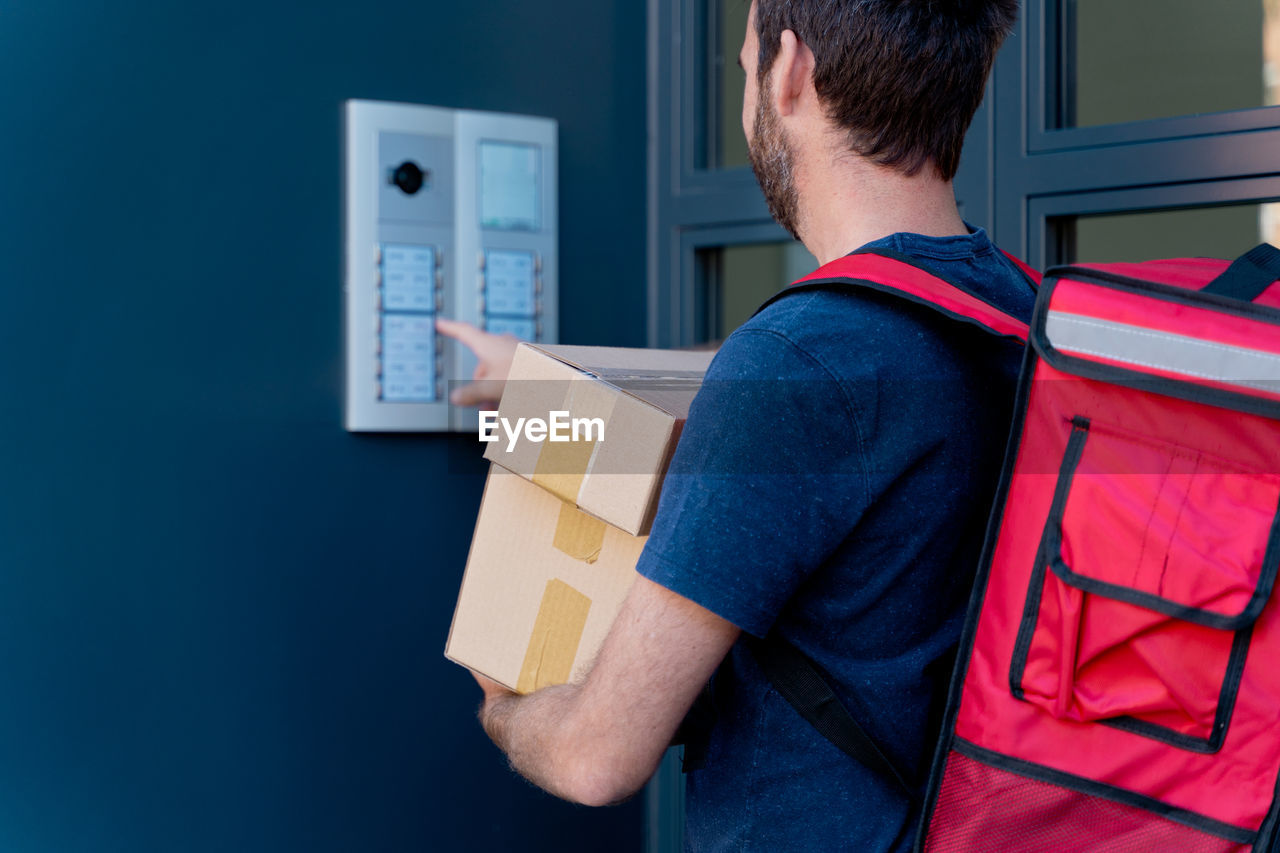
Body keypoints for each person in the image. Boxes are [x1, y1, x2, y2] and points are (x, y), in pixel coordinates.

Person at [442, 0, 1030, 848]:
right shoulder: (1013, 310)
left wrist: (511, 708)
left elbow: (593, 757)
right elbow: (787, 406)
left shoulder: (800, 359)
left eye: (744, 61)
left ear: (790, 71)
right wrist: (528, 385)